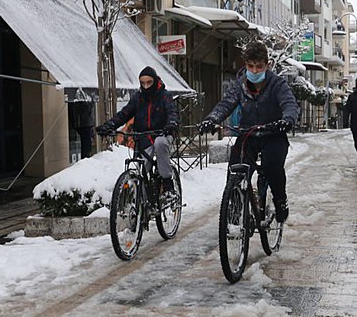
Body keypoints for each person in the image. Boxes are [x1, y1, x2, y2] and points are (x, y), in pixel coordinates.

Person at [197, 41, 298, 223]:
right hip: (248, 135)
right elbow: (225, 104)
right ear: (246, 65)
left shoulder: (277, 84)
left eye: (259, 67)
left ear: (267, 65)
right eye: (251, 66)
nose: (255, 71)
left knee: (272, 166)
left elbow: (289, 104)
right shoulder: (240, 85)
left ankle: (280, 199)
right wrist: (211, 119)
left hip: (273, 134)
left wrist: (288, 119)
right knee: (235, 170)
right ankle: (235, 212)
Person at [96, 66, 179, 195]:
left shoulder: (164, 95)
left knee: (160, 144)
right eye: (143, 83)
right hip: (143, 137)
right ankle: (142, 200)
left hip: (163, 133)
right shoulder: (138, 98)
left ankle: (167, 181)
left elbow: (172, 112)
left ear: (155, 81)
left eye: (149, 82)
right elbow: (124, 113)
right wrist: (110, 125)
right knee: (142, 171)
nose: (146, 86)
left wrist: (171, 124)